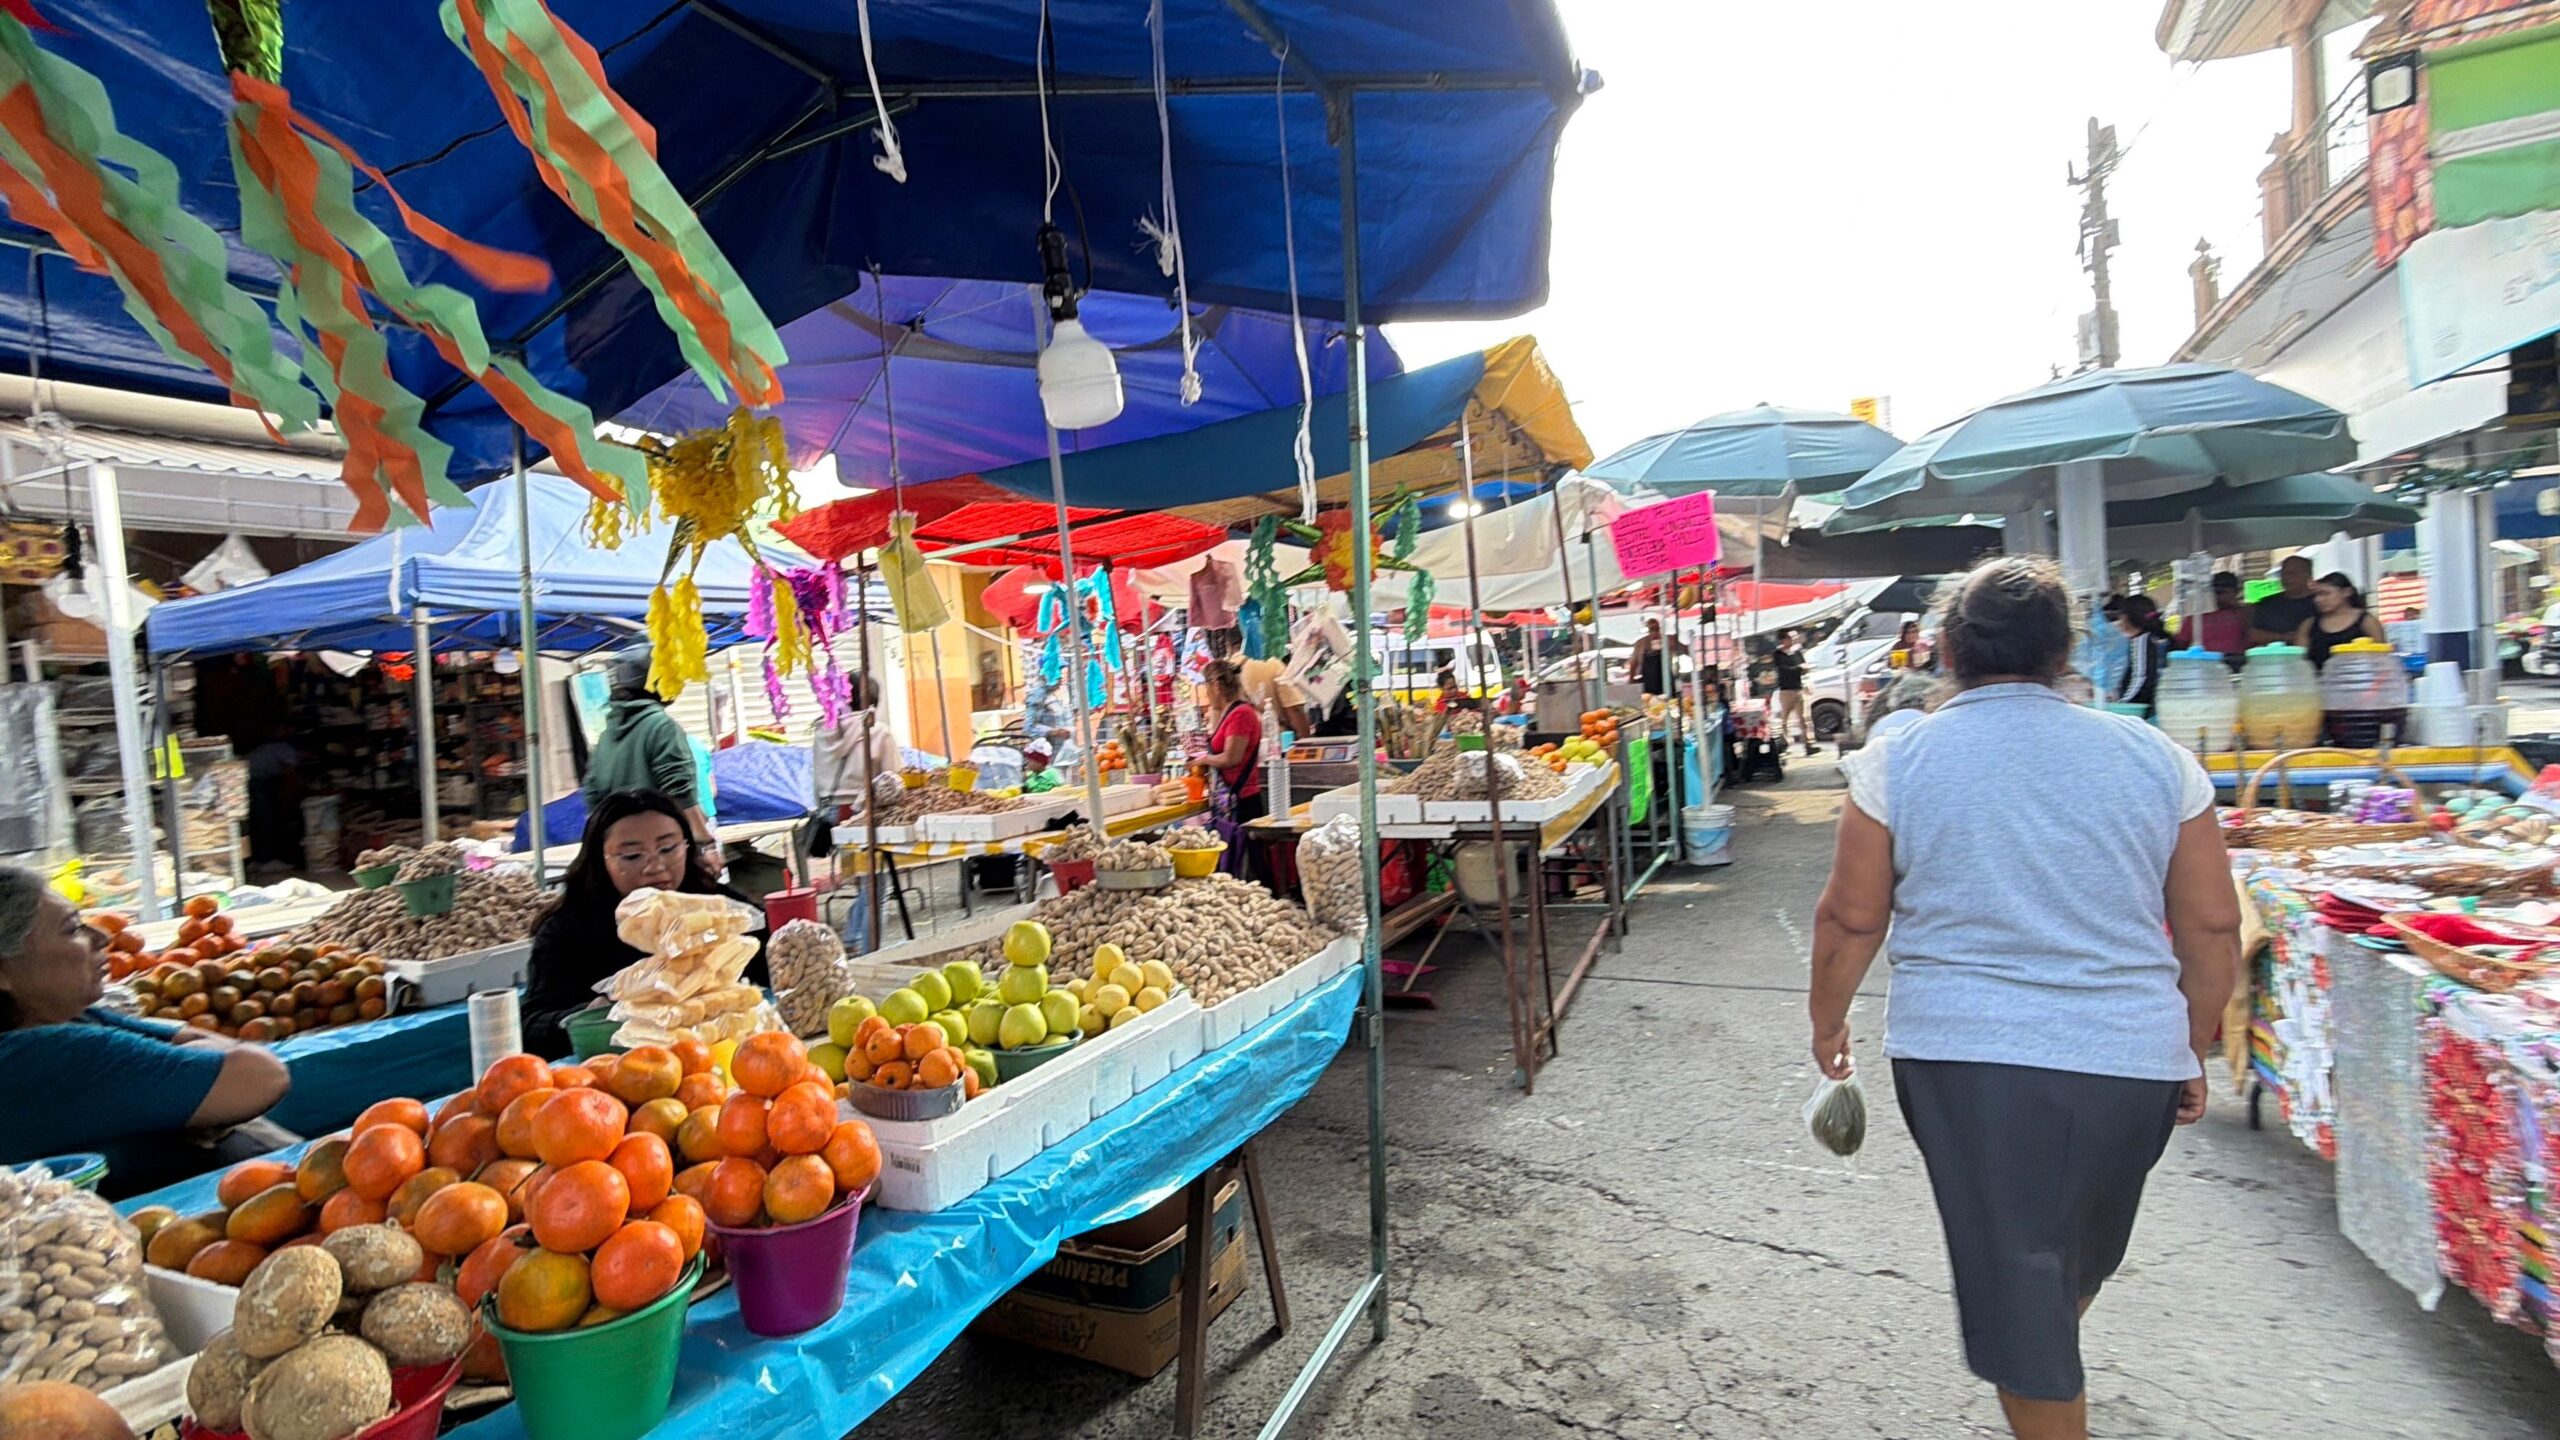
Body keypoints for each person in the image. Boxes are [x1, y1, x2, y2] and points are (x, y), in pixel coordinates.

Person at [1808, 556, 2238, 1440]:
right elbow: (2211, 927)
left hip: (1969, 1066)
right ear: (2064, 652)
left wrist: (1827, 1022)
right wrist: (2191, 1044)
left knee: (2027, 1294)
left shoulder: (1900, 760)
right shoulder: (2158, 759)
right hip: (2130, 1062)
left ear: (1946, 650)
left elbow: (1852, 918)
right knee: (2062, 1267)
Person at [0, 868, 292, 1198]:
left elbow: (189, 1038)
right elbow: (261, 1076)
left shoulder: (75, 1018)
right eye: (72, 929)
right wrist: (192, 1103)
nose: (101, 937)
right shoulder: (50, 1055)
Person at [521, 790, 769, 1059]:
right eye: (632, 856)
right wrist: (593, 1013)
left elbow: (775, 966)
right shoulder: (568, 929)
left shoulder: (718, 908)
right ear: (600, 860)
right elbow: (531, 1028)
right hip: (621, 1069)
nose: (655, 866)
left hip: (726, 1058)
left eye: (668, 849)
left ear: (686, 846)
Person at [585, 645, 714, 855]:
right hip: (663, 851)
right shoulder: (662, 727)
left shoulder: (605, 737)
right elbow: (680, 793)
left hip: (623, 854)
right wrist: (706, 844)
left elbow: (592, 797)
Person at [1195, 659, 1267, 876]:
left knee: (1248, 867)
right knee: (1235, 866)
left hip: (1243, 802)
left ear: (1216, 686)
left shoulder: (1241, 714)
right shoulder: (1230, 712)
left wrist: (1204, 760)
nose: (1206, 693)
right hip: (1234, 801)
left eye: (1206, 686)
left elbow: (1231, 758)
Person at [2292, 571, 2386, 669]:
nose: (2318, 600)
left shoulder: (2367, 621)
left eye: (2325, 594)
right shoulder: (2308, 625)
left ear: (2346, 592)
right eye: (2316, 595)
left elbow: (2381, 657)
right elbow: (2298, 661)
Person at [2111, 594, 2171, 712]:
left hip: (2147, 710)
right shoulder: (2162, 638)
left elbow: (2141, 679)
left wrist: (2123, 704)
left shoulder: (2142, 642)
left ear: (2126, 618)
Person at [2173, 572, 2250, 661]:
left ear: (2236, 592)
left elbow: (2254, 637)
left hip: (2237, 661)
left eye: (2223, 592)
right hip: (2205, 662)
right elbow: (2180, 644)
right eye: (2215, 592)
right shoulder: (2196, 617)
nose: (2218, 597)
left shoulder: (2244, 613)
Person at [2248, 555, 2319, 646]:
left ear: (2308, 575)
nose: (2286, 578)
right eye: (2283, 573)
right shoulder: (2267, 603)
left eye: (2292, 573)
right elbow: (2254, 635)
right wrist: (2283, 637)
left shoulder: (2320, 601)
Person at [1770, 630, 1812, 754]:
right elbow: (1783, 669)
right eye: (1789, 638)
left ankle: (1807, 743)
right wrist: (1799, 668)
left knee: (1802, 717)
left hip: (1798, 687)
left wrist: (1804, 670)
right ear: (1783, 640)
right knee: (1784, 718)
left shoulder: (1797, 652)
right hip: (1786, 689)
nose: (1792, 641)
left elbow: (1804, 666)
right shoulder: (1778, 654)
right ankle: (1785, 742)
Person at [1631, 617, 1684, 697]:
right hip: (1649, 683)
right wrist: (1632, 682)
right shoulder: (1641, 643)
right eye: (1652, 629)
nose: (1654, 632)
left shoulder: (1667, 640)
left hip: (1666, 682)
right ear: (1648, 629)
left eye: (1656, 628)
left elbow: (1683, 649)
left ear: (1659, 628)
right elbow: (1633, 664)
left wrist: (1676, 639)